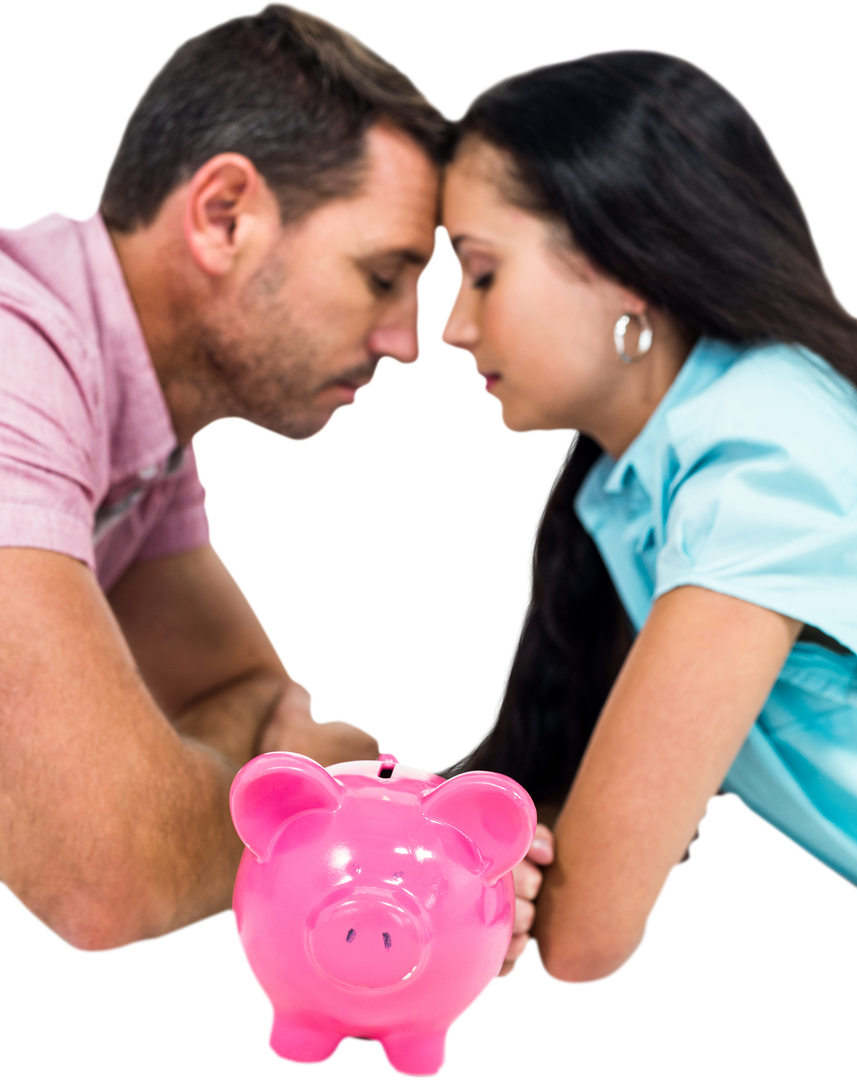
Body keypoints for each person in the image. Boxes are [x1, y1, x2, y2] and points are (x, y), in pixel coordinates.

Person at [0, 2, 467, 958]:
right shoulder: (13, 361)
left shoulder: (140, 419)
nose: (407, 344)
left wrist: (218, 774)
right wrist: (308, 779)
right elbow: (108, 878)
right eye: (384, 275)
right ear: (225, 215)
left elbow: (246, 688)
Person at [436, 45, 857, 987]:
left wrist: (504, 898)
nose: (451, 327)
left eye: (481, 272)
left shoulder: (763, 453)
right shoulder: (632, 484)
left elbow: (584, 939)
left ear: (623, 266)